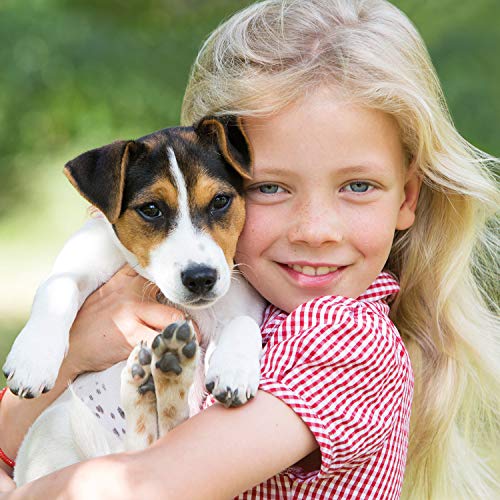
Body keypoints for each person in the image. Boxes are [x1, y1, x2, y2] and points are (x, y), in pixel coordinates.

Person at [1, 0, 498, 498]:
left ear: (407, 197)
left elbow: (143, 486)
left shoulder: (348, 342)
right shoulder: (244, 302)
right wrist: (74, 353)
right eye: (270, 188)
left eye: (358, 186)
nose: (315, 231)